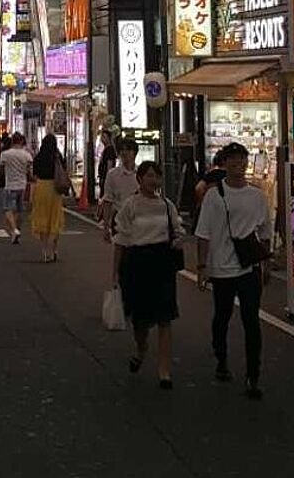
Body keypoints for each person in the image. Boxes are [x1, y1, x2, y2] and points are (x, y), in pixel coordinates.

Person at [195, 141, 273, 401]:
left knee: (252, 321)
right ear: (224, 163)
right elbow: (203, 233)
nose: (239, 165)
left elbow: (264, 233)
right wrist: (202, 266)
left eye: (242, 160)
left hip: (249, 268)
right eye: (234, 160)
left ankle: (253, 376)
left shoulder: (257, 196)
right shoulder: (214, 196)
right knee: (222, 316)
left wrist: (266, 264)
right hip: (221, 268)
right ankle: (221, 358)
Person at [112, 161, 184, 389]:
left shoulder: (166, 204)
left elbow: (178, 230)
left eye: (157, 176)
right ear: (140, 179)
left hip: (162, 263)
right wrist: (114, 273)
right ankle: (141, 348)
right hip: (136, 264)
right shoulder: (130, 205)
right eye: (150, 176)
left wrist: (178, 240)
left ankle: (164, 370)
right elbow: (121, 240)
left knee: (165, 318)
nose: (154, 180)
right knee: (140, 319)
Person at [30, 134, 67, 262]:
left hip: (41, 188)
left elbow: (34, 176)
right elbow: (64, 171)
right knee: (55, 218)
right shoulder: (58, 157)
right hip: (55, 189)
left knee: (42, 218)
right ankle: (55, 250)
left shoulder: (39, 157)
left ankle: (45, 251)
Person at [100, 137, 139, 240]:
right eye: (122, 150)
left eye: (128, 150)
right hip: (119, 218)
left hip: (139, 218)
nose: (124, 153)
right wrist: (106, 227)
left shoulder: (141, 174)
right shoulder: (113, 174)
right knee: (121, 251)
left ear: (134, 153)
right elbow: (108, 201)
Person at [0, 133, 32, 244]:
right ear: (21, 141)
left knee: (8, 209)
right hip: (22, 185)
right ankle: (17, 231)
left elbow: (0, 170)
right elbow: (29, 171)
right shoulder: (27, 155)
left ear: (12, 141)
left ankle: (14, 230)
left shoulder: (5, 154)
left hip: (10, 185)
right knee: (20, 210)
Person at [97, 130, 118, 201]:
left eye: (104, 137)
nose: (102, 139)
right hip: (103, 177)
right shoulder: (106, 149)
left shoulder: (109, 150)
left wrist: (107, 178)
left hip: (105, 178)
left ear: (109, 138)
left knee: (105, 197)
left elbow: (110, 165)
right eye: (101, 137)